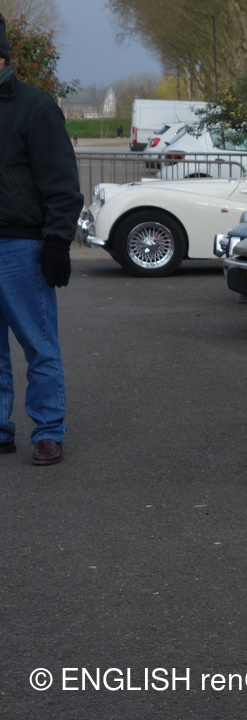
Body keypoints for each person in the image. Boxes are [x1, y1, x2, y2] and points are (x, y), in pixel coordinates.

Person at [0, 12, 83, 466]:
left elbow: (62, 183)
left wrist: (56, 242)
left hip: (21, 246)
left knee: (39, 345)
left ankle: (48, 430)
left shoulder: (35, 107)